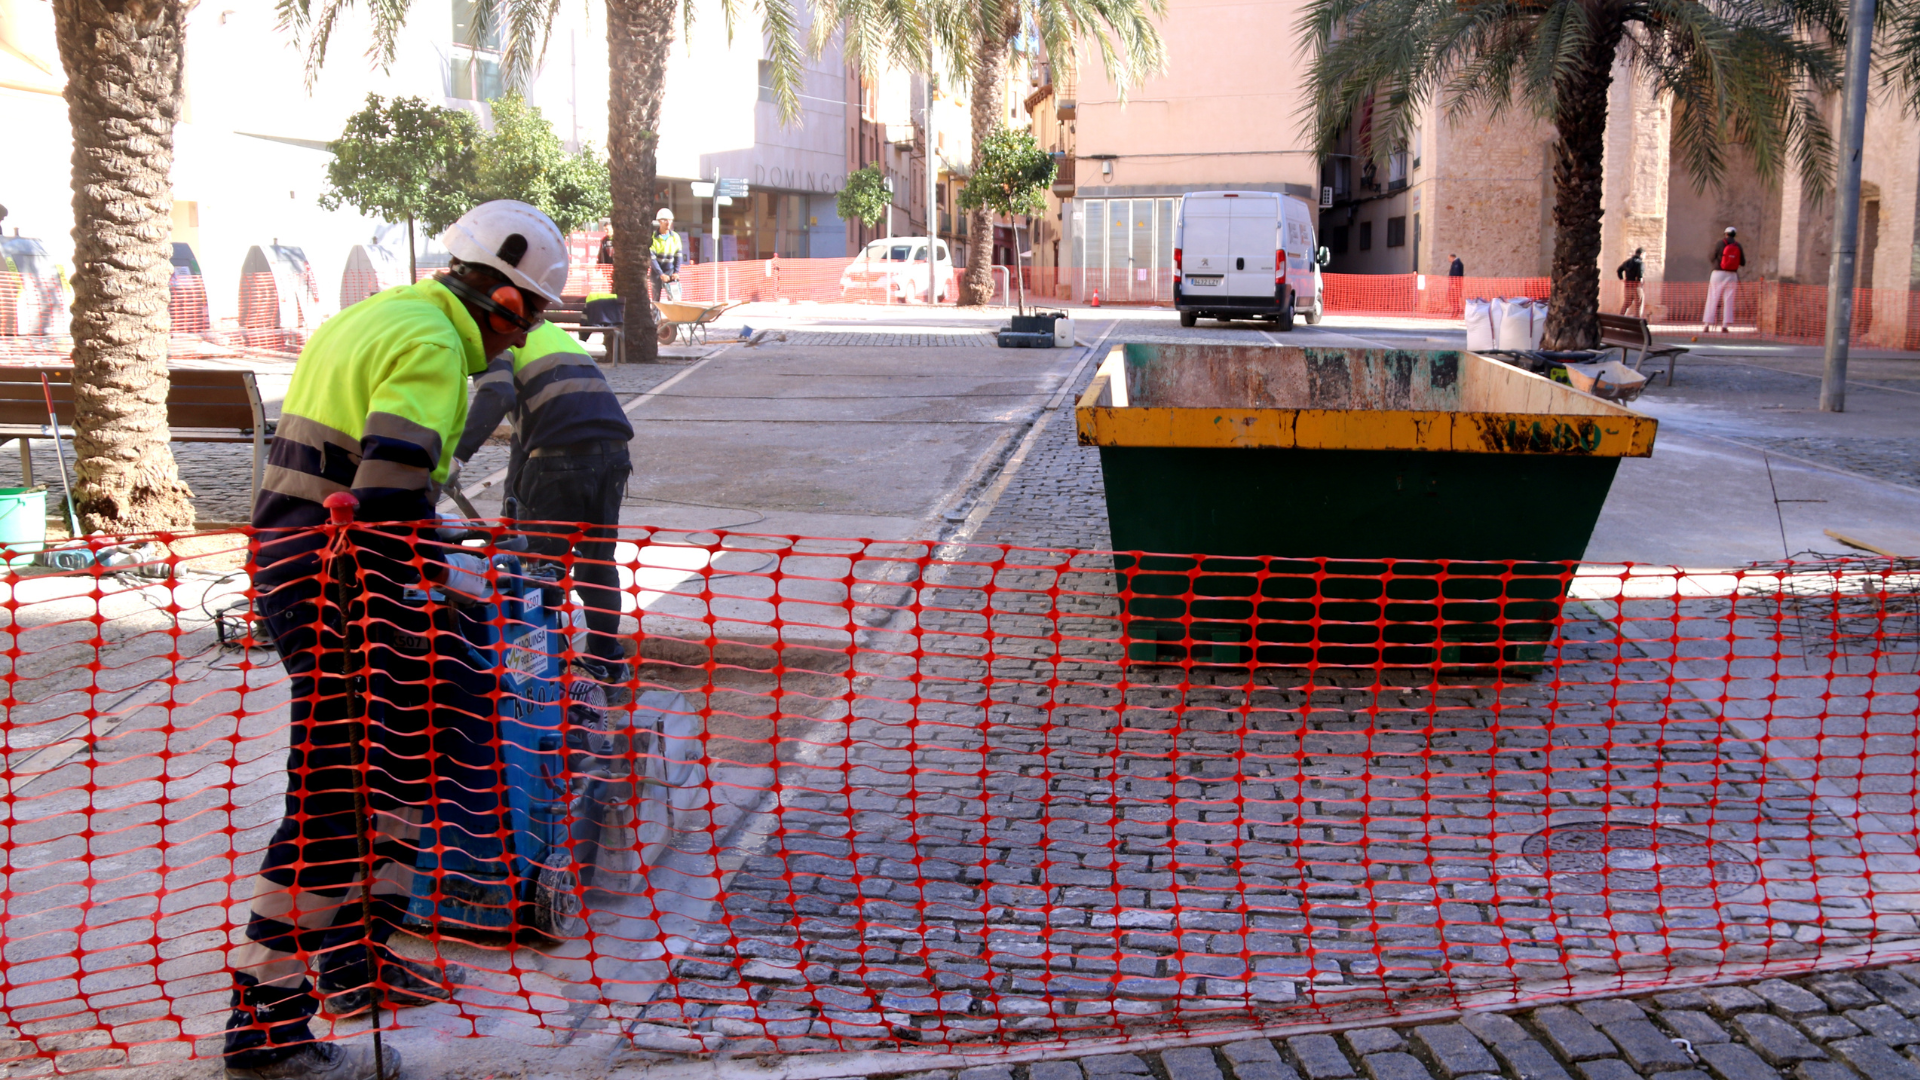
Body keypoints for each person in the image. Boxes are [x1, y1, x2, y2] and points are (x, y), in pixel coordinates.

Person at [227, 200, 567, 1080]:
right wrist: (439, 574)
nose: (521, 339)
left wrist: (438, 550)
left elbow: (366, 483)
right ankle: (266, 1028)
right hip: (348, 590)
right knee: (335, 796)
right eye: (528, 318)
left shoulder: (374, 315)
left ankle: (355, 959)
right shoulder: (433, 344)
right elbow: (383, 498)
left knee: (407, 764)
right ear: (502, 298)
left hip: (306, 567)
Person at [450, 318, 635, 700]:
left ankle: (542, 676)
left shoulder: (494, 332)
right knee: (597, 564)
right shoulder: (549, 333)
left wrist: (456, 456)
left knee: (539, 573)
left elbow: (496, 394)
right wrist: (511, 516)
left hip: (558, 462)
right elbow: (525, 440)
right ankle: (608, 664)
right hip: (613, 455)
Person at [1704, 226, 1744, 333]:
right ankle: (1725, 325)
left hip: (1718, 273)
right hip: (1732, 275)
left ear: (1725, 234)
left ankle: (1707, 325)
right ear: (1735, 235)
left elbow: (1711, 257)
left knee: (1713, 297)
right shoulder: (1738, 245)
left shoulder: (1720, 243)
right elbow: (1742, 262)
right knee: (1729, 299)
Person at [650, 208, 683, 302]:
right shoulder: (653, 237)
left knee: (675, 300)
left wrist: (676, 272)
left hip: (670, 271)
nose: (668, 223)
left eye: (670, 220)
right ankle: (655, 313)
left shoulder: (675, 237)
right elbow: (652, 259)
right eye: (665, 220)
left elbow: (678, 256)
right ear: (659, 221)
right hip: (656, 273)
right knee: (656, 301)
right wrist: (661, 274)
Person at [1618, 247, 1646, 317]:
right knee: (1638, 304)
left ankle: (1621, 318)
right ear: (1642, 254)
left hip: (1628, 286)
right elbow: (1640, 273)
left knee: (1627, 303)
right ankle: (1637, 321)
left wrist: (1622, 279)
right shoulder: (1640, 263)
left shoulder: (1627, 262)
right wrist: (1640, 280)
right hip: (1637, 286)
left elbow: (1619, 270)